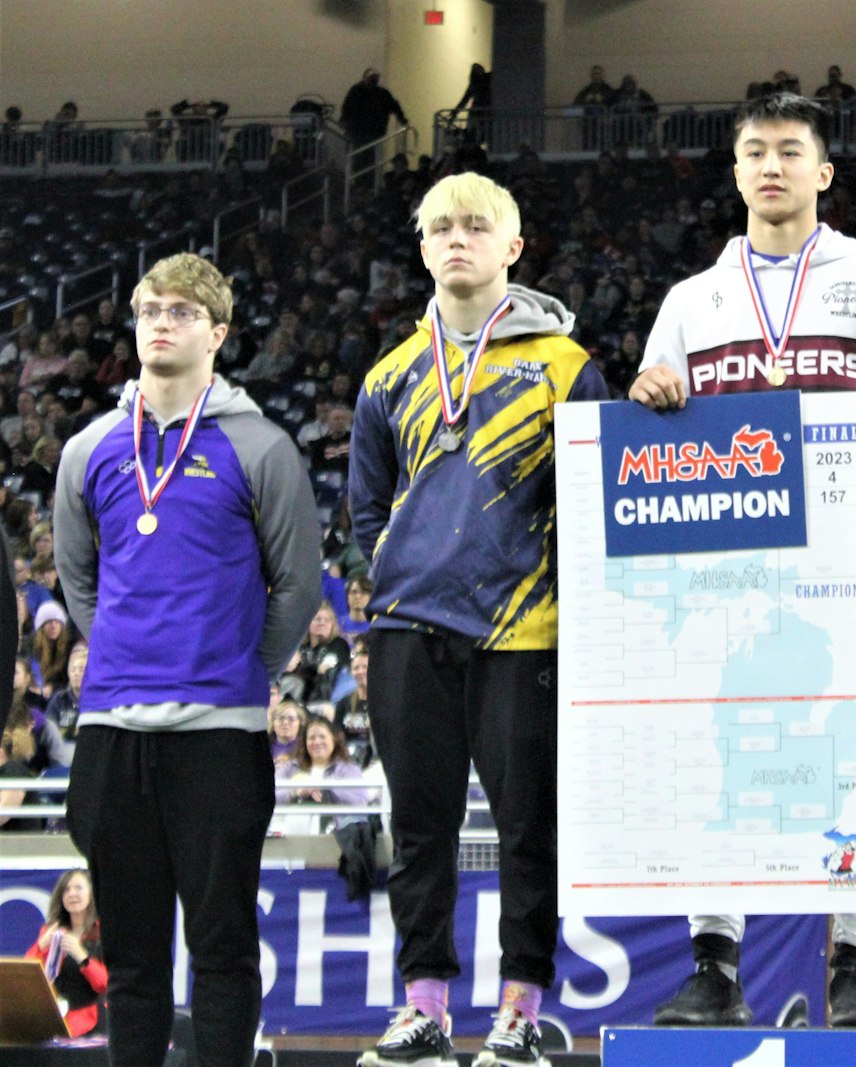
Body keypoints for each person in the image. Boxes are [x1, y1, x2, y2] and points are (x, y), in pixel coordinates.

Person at [629, 92, 856, 1029]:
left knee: (849, 760)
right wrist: (651, 390)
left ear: (822, 171)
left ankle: (851, 966)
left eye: (790, 151)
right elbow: (649, 421)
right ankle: (713, 967)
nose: (771, 165)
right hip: (722, 563)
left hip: (835, 568)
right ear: (735, 172)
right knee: (715, 756)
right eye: (755, 151)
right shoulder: (692, 300)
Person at [348, 172, 609, 1067]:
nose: (458, 239)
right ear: (422, 248)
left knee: (526, 824)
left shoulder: (565, 365)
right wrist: (387, 592)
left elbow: (588, 508)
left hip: (522, 631)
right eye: (441, 228)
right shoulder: (388, 377)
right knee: (418, 828)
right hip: (409, 632)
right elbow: (364, 515)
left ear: (513, 246)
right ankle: (422, 1005)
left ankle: (519, 1011)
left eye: (477, 226)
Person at [53, 252, 322, 1067]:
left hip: (218, 734)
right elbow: (78, 580)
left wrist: (239, 668)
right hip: (112, 732)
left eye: (180, 310)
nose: (161, 322)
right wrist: (128, 660)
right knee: (132, 959)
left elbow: (299, 585)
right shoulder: (90, 448)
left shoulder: (261, 446)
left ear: (218, 332)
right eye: (149, 310)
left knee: (223, 948)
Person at [24, 868, 107, 1036]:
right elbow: (28, 975)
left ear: (92, 894)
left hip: (91, 1022)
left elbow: (106, 984)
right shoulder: (51, 930)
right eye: (66, 890)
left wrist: (82, 957)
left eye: (78, 888)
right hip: (55, 1020)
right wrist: (41, 946)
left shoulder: (104, 934)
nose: (72, 894)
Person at [272, 715, 376, 835]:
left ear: (333, 739)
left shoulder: (348, 768)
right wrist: (296, 792)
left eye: (322, 737)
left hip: (335, 834)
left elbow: (360, 802)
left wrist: (326, 787)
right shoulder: (290, 767)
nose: (317, 742)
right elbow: (269, 796)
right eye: (311, 738)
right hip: (291, 832)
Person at [340, 68, 409, 170]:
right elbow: (347, 108)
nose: (374, 81)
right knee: (361, 158)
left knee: (369, 159)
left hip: (373, 132)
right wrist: (345, 123)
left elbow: (394, 106)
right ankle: (361, 182)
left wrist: (402, 119)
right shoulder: (357, 91)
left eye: (375, 78)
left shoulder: (381, 93)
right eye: (372, 78)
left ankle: (365, 182)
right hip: (359, 131)